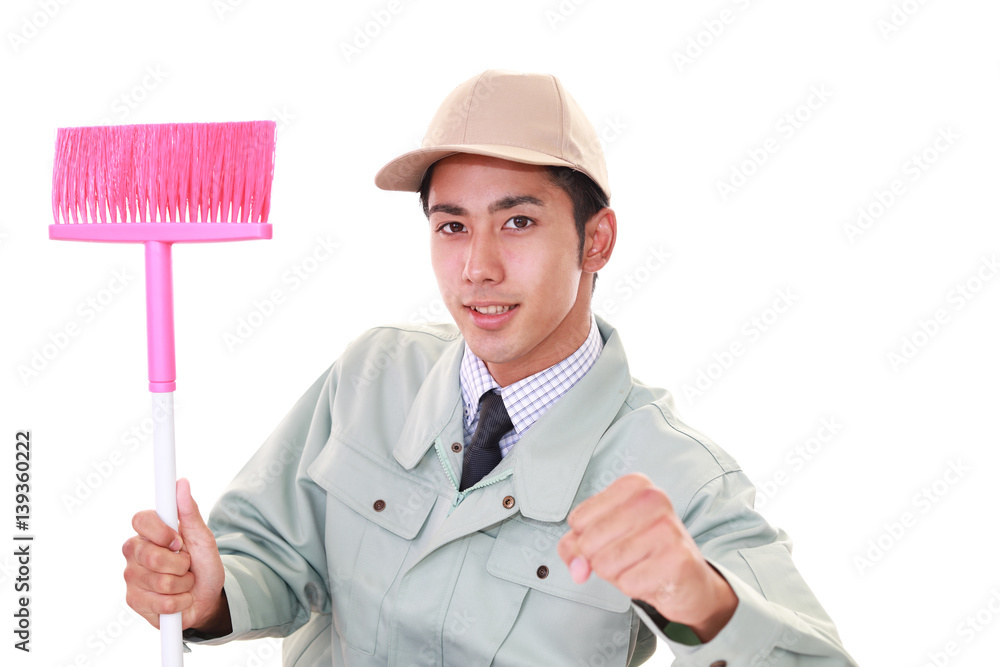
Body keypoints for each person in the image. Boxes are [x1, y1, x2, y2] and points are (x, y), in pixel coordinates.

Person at [123, 70, 857, 665]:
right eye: (452, 225)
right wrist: (208, 595)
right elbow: (266, 554)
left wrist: (702, 599)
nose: (477, 267)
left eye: (518, 222)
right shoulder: (372, 375)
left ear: (597, 241)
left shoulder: (676, 473)